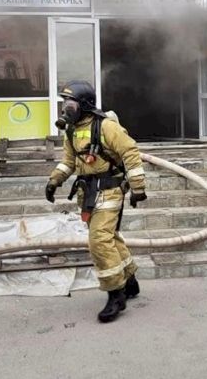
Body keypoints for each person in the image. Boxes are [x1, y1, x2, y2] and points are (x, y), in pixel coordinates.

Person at [45, 80, 146, 323]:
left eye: (70, 104)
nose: (66, 109)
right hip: (88, 192)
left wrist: (138, 187)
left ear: (84, 105)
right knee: (109, 238)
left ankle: (116, 295)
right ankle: (129, 281)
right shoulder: (72, 130)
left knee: (99, 240)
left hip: (110, 190)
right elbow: (69, 161)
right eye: (64, 104)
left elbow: (130, 151)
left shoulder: (106, 126)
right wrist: (54, 180)